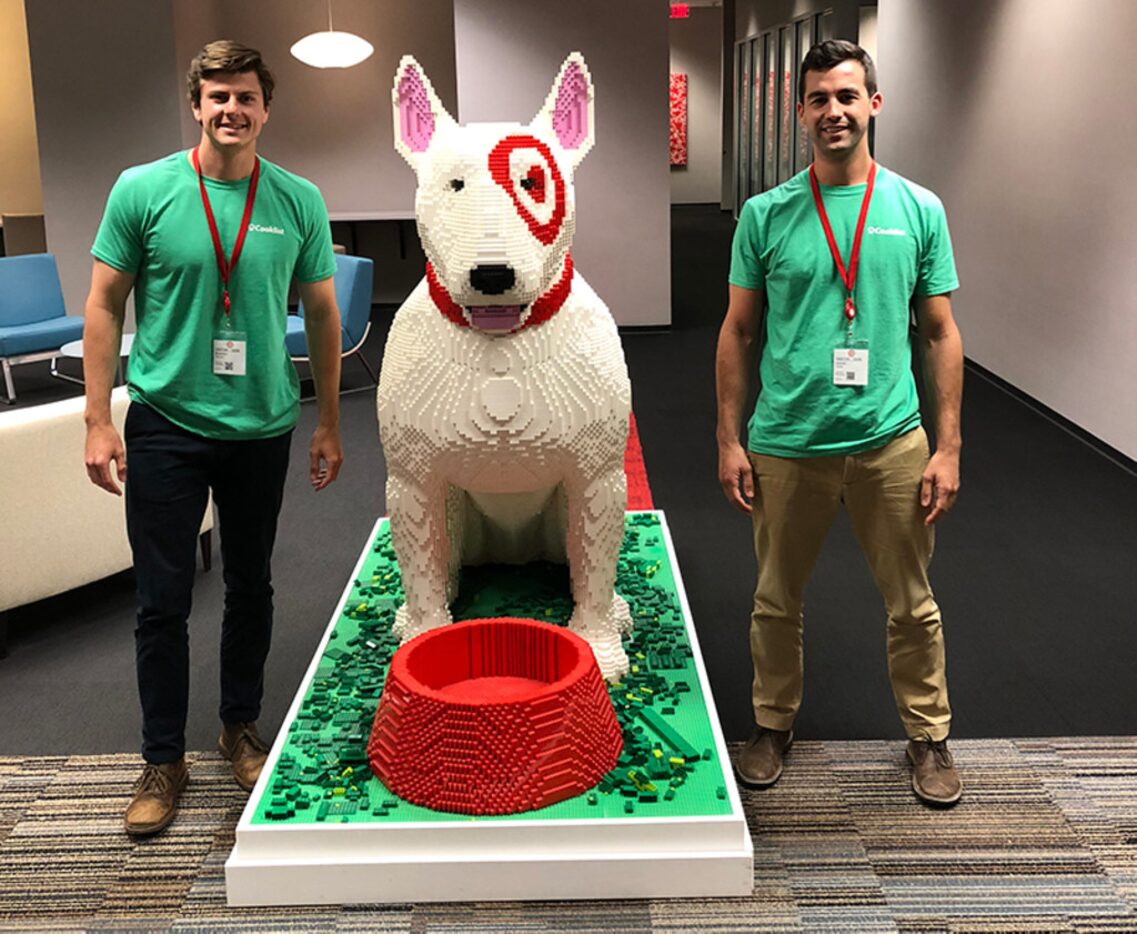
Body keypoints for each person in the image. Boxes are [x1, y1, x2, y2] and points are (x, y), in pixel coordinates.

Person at [83, 40, 344, 835]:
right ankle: (162, 757)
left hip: (263, 422)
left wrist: (329, 418)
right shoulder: (144, 190)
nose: (231, 110)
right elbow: (102, 305)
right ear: (195, 105)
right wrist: (99, 419)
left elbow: (325, 314)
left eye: (246, 98)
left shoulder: (297, 198)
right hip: (166, 420)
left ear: (266, 110)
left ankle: (239, 727)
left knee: (251, 587)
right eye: (217, 97)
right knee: (160, 601)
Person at [715, 39, 964, 806]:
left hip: (892, 440)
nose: (834, 111)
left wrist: (947, 446)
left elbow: (940, 333)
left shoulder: (917, 209)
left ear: (873, 106)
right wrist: (728, 437)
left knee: (911, 602)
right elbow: (737, 332)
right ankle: (771, 723)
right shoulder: (765, 215)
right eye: (819, 98)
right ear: (800, 113)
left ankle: (927, 736)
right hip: (787, 442)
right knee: (774, 599)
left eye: (847, 96)